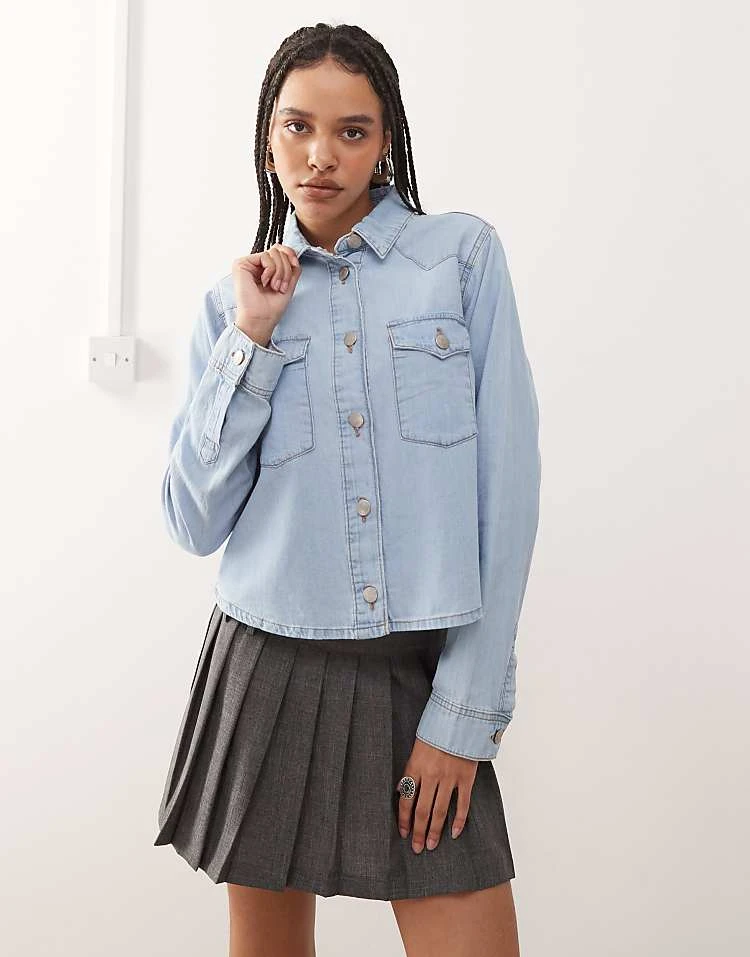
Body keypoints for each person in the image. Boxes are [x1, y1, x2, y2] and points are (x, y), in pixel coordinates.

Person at [153, 21, 541, 957]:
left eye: (351, 131)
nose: (320, 155)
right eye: (297, 127)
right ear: (267, 139)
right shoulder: (231, 305)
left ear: (386, 142)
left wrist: (463, 716)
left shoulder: (460, 259)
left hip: (422, 672)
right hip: (268, 667)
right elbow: (193, 518)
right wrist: (252, 338)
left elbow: (508, 498)